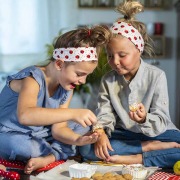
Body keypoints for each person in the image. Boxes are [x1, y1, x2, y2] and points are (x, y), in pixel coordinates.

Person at [79, 0, 180, 168]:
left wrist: (144, 119)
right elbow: (104, 114)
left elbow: (162, 118)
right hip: (123, 134)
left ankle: (136, 158)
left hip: (156, 134)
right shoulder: (108, 80)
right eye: (110, 55)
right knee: (86, 149)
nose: (115, 62)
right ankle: (146, 149)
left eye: (122, 55)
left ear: (138, 50)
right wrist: (100, 132)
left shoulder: (156, 76)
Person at [0, 26, 111, 174]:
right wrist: (72, 114)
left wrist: (77, 140)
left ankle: (48, 157)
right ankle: (54, 153)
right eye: (79, 74)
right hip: (12, 132)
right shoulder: (32, 79)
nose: (83, 81)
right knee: (24, 146)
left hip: (42, 133)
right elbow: (25, 115)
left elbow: (59, 129)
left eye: (86, 76)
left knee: (82, 128)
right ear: (59, 64)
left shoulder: (66, 88)